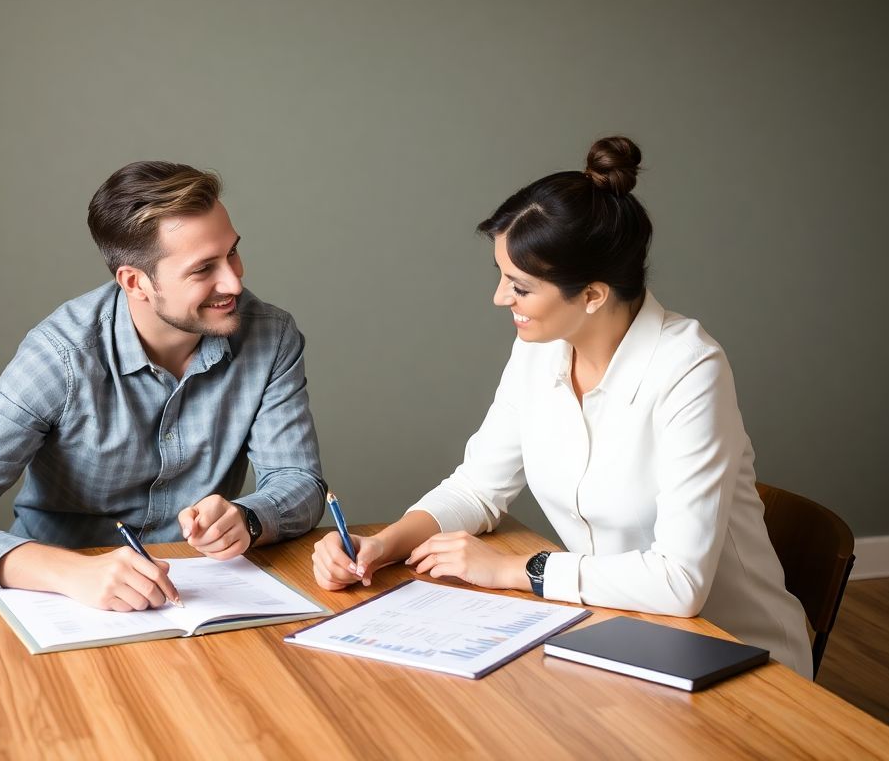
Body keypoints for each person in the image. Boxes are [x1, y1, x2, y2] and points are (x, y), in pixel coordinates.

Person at [311, 137, 814, 678]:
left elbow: (679, 582)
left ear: (593, 295)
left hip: (736, 659)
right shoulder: (541, 350)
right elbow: (478, 486)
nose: (500, 298)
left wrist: (515, 569)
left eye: (520, 287)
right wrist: (385, 544)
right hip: (609, 631)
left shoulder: (690, 369)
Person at [0, 161, 326, 612]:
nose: (234, 280)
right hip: (65, 601)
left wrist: (248, 518)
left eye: (231, 252)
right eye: (203, 269)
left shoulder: (271, 336)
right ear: (135, 282)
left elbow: (299, 482)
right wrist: (68, 572)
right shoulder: (60, 356)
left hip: (195, 599)